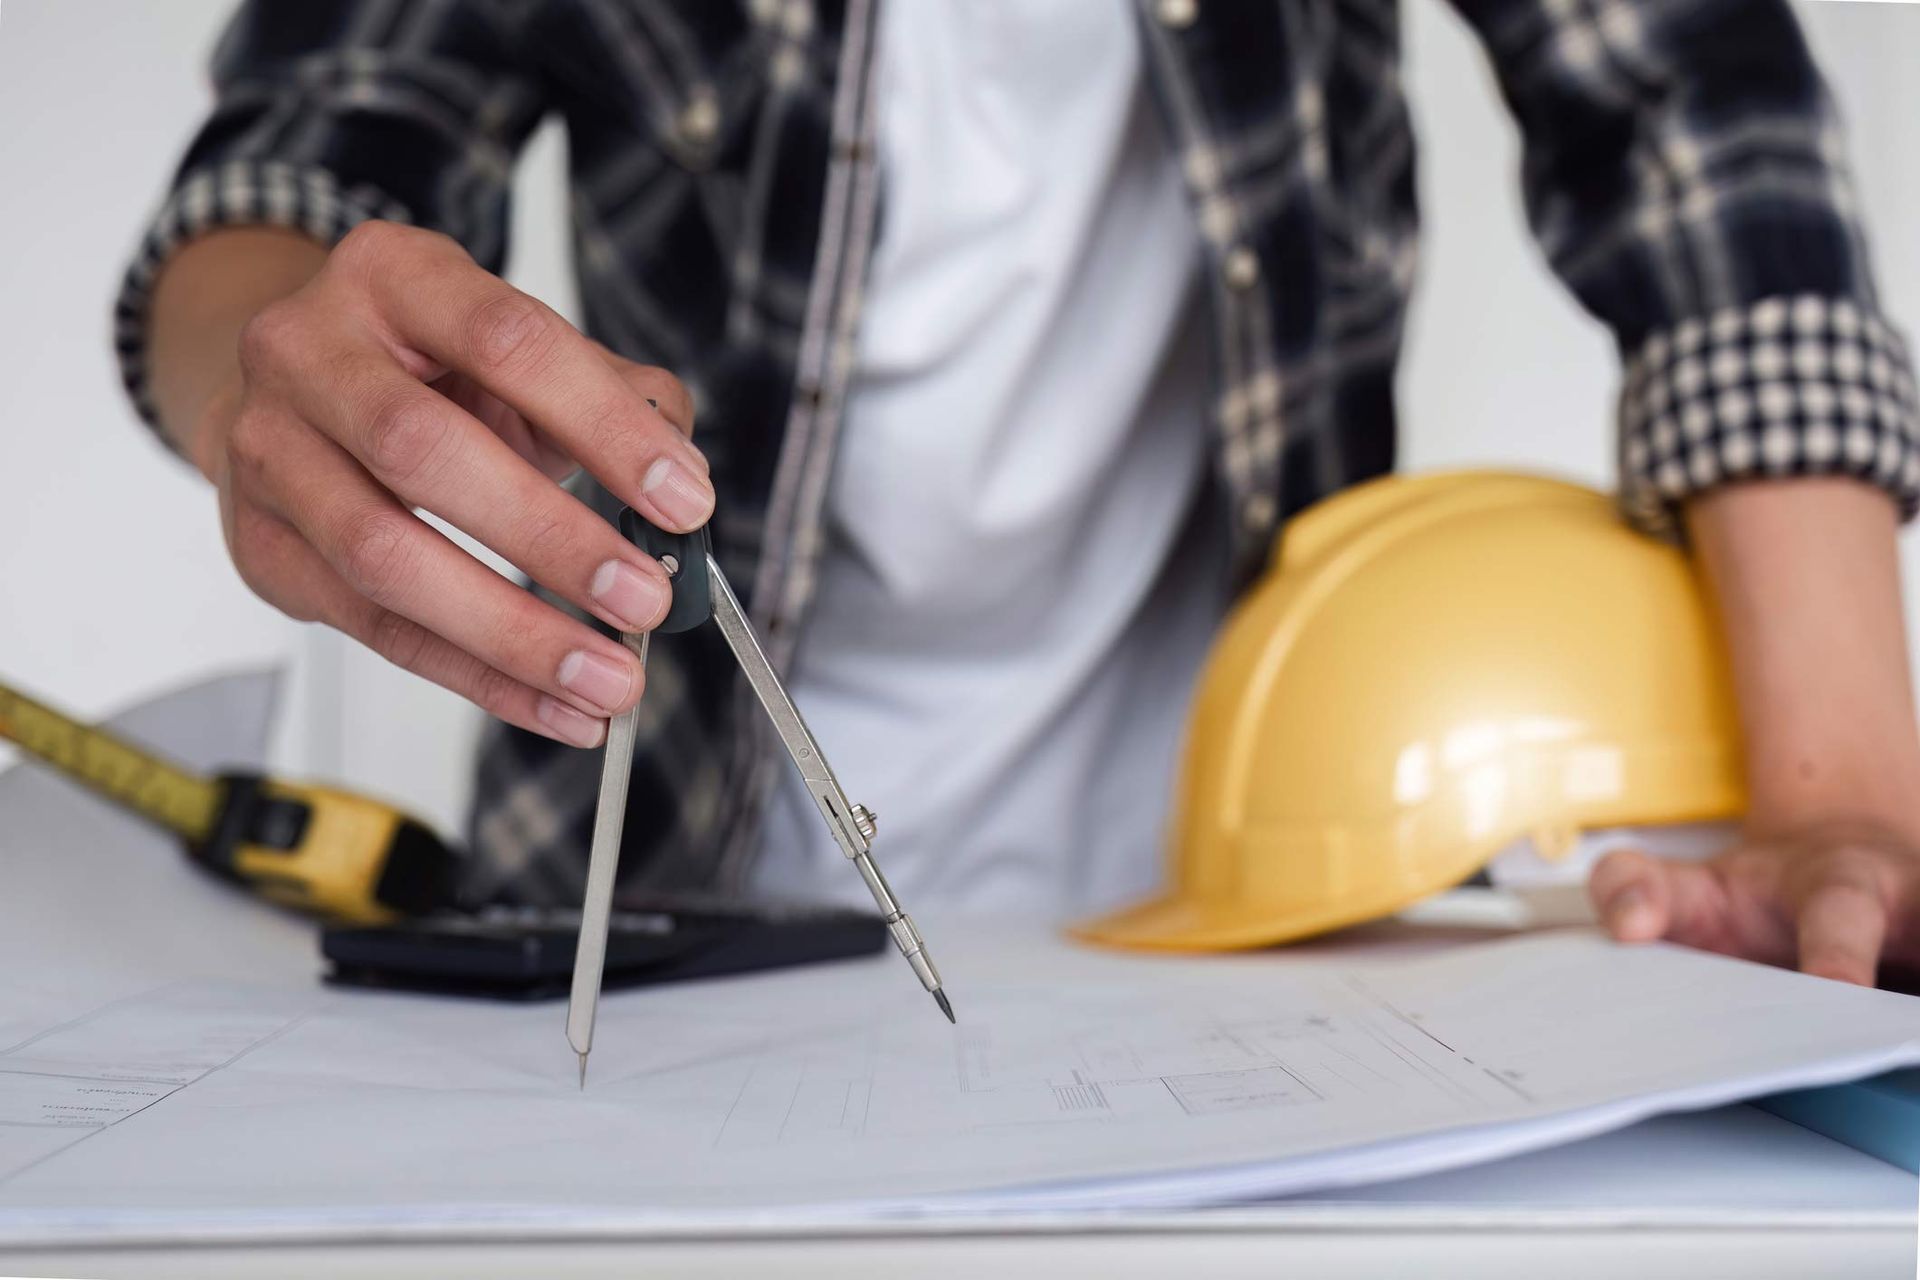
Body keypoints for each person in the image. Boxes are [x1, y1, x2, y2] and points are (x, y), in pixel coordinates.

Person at [124, 0, 1920, 984]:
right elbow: (306, 143)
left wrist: (1849, 795)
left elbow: (1696, 109)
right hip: (669, 879)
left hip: (1279, 907)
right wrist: (280, 380)